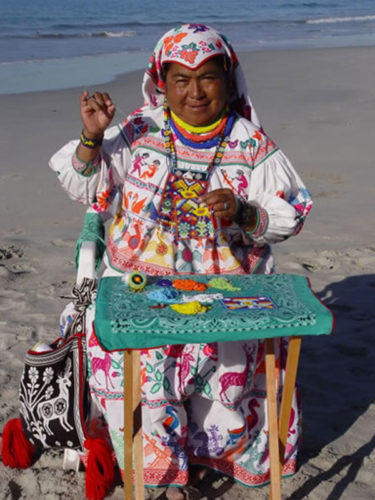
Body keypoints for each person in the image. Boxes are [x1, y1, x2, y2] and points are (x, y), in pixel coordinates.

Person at [50, 23, 312, 499]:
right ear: (160, 83)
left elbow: (291, 211)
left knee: (221, 385)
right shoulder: (139, 131)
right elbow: (88, 184)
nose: (195, 91)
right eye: (181, 80)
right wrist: (92, 137)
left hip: (225, 294)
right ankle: (166, 478)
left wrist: (244, 211)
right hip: (139, 288)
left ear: (228, 81)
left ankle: (202, 455)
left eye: (208, 77)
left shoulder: (250, 144)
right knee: (150, 376)